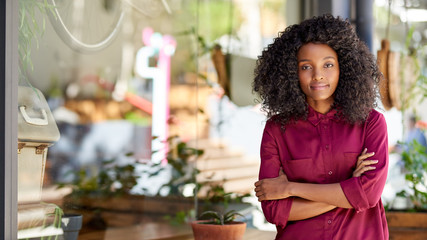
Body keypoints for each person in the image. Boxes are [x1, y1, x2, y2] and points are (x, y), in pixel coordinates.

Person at [252, 14, 389, 240]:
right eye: (306, 67)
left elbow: (369, 195)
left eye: (328, 64)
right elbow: (274, 211)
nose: (318, 76)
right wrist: (348, 190)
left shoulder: (371, 123)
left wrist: (291, 189)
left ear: (343, 67)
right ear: (290, 72)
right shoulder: (277, 130)